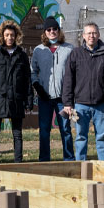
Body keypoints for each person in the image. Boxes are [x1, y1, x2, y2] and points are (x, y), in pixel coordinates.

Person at [61, 23, 104, 161]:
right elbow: (68, 80)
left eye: (94, 33)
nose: (91, 36)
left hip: (100, 104)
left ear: (99, 35)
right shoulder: (75, 54)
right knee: (81, 137)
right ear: (83, 35)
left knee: (102, 137)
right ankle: (80, 165)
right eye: (88, 33)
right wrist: (67, 103)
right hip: (81, 105)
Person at [0, 21, 33, 164]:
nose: (10, 38)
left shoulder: (22, 56)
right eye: (7, 35)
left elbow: (27, 80)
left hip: (16, 100)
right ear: (2, 36)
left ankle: (18, 162)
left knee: (17, 134)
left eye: (12, 35)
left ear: (16, 36)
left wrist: (28, 101)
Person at [30, 17, 74, 161]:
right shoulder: (38, 50)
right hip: (45, 98)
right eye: (49, 29)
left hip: (63, 98)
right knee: (44, 130)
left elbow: (74, 72)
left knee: (66, 129)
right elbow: (33, 71)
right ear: (45, 32)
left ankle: (68, 158)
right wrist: (37, 86)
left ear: (59, 31)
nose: (52, 32)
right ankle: (44, 159)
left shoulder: (69, 49)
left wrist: (70, 94)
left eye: (55, 29)